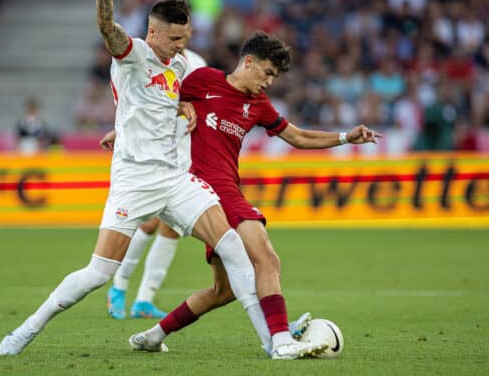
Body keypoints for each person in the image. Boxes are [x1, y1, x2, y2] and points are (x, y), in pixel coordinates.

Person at [0, 0, 326, 360]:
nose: (180, 47)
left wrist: (181, 107)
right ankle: (28, 328)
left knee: (235, 248)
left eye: (185, 38)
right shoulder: (133, 53)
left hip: (174, 178)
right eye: (174, 39)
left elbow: (165, 102)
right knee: (98, 273)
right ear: (152, 31)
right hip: (133, 180)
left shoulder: (180, 65)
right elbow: (107, 28)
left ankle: (277, 343)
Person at [103, 31, 381, 356]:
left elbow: (299, 137)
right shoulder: (203, 80)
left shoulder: (258, 104)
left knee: (223, 291)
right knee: (266, 257)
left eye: (275, 77)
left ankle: (153, 336)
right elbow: (158, 100)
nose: (270, 82)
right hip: (208, 188)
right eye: (267, 73)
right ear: (249, 62)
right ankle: (280, 341)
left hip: (219, 192)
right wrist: (124, 129)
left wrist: (346, 137)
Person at [106, 28, 208, 320]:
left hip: (184, 152)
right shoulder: (148, 61)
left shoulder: (197, 64)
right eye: (175, 35)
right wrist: (120, 129)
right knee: (148, 224)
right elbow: (139, 102)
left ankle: (144, 299)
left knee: (173, 229)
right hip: (153, 154)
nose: (180, 41)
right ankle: (119, 285)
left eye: (185, 35)